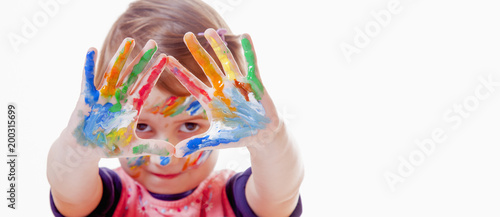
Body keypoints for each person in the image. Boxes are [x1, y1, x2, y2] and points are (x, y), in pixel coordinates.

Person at [46, 0, 304, 216]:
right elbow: (68, 194)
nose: (165, 157)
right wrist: (77, 149)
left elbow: (280, 195)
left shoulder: (234, 199)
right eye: (141, 126)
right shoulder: (108, 196)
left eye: (190, 125)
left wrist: (269, 139)